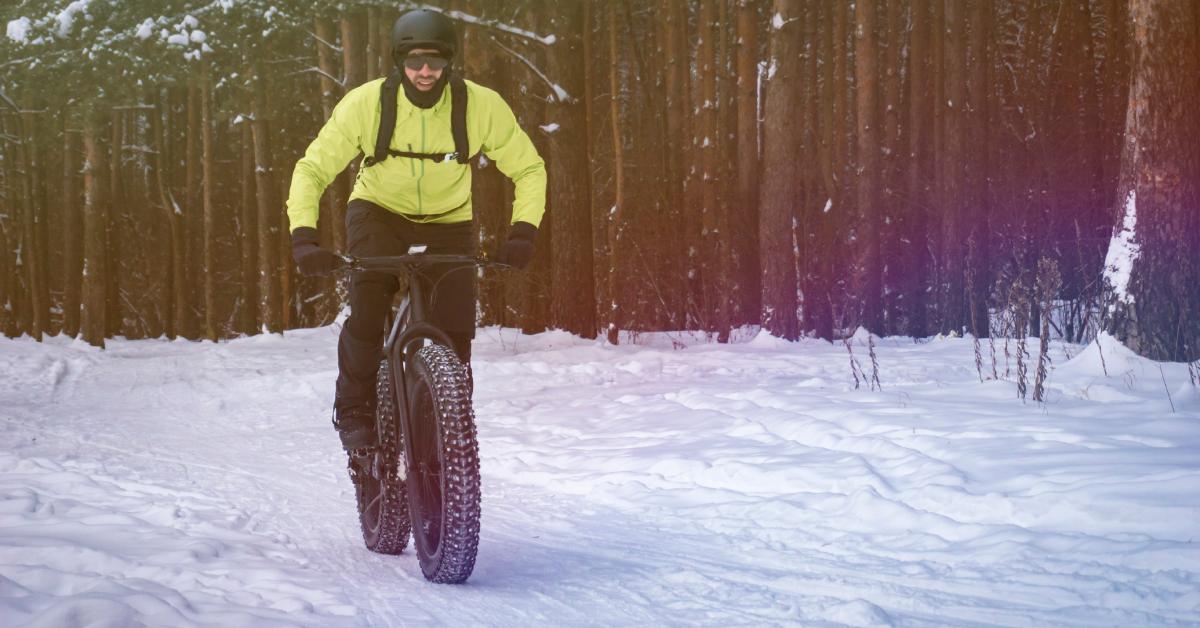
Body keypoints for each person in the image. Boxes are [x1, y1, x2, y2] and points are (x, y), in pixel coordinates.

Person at [285, 9, 546, 450]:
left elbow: (530, 168)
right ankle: (354, 410)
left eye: (436, 61)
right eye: (414, 61)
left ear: (450, 61)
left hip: (448, 219)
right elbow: (312, 169)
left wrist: (524, 231)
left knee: (456, 332)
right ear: (398, 60)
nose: (425, 72)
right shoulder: (367, 104)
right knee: (368, 304)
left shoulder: (480, 106)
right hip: (379, 212)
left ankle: (448, 421)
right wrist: (303, 237)